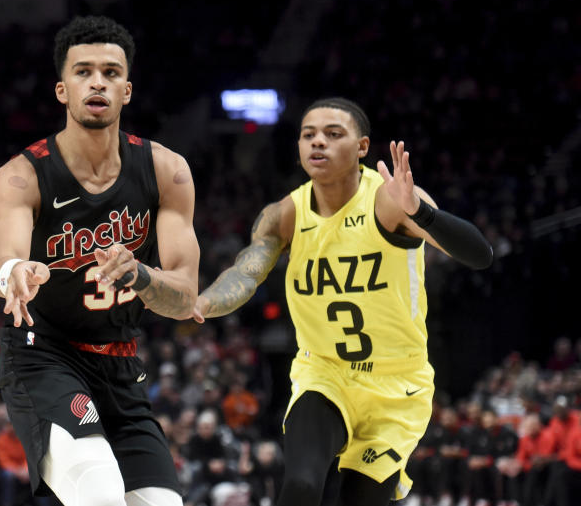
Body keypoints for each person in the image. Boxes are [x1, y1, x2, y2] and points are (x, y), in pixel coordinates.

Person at [194, 97, 493, 505]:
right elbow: (246, 272)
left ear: (362, 147)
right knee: (300, 483)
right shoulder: (285, 214)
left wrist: (420, 212)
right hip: (325, 373)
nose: (318, 142)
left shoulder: (388, 200)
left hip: (397, 384)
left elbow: (480, 254)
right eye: (308, 135)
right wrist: (205, 302)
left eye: (334, 134)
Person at [0, 15, 199, 506]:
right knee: (99, 492)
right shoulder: (23, 175)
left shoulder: (167, 171)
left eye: (111, 72)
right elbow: (9, 251)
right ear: (62, 91)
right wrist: (13, 271)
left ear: (127, 90)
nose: (98, 81)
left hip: (121, 366)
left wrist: (141, 274)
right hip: (45, 356)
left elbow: (184, 295)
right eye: (83, 72)